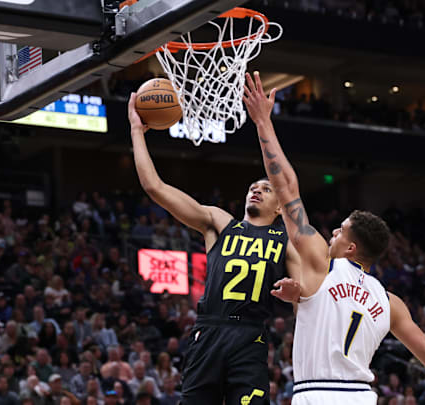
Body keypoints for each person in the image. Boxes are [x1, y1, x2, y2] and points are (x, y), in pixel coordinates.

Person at [243, 72, 425, 404]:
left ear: (351, 247)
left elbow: (287, 190)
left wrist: (263, 122)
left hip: (317, 395)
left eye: (339, 230)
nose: (332, 233)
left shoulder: (322, 264)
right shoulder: (390, 302)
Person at [128, 92, 302, 405]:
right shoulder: (220, 223)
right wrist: (136, 132)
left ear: (280, 206)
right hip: (208, 332)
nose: (256, 190)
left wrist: (297, 293)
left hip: (250, 337)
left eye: (266, 188)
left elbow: (307, 302)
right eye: (253, 186)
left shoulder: (288, 242)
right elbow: (155, 187)